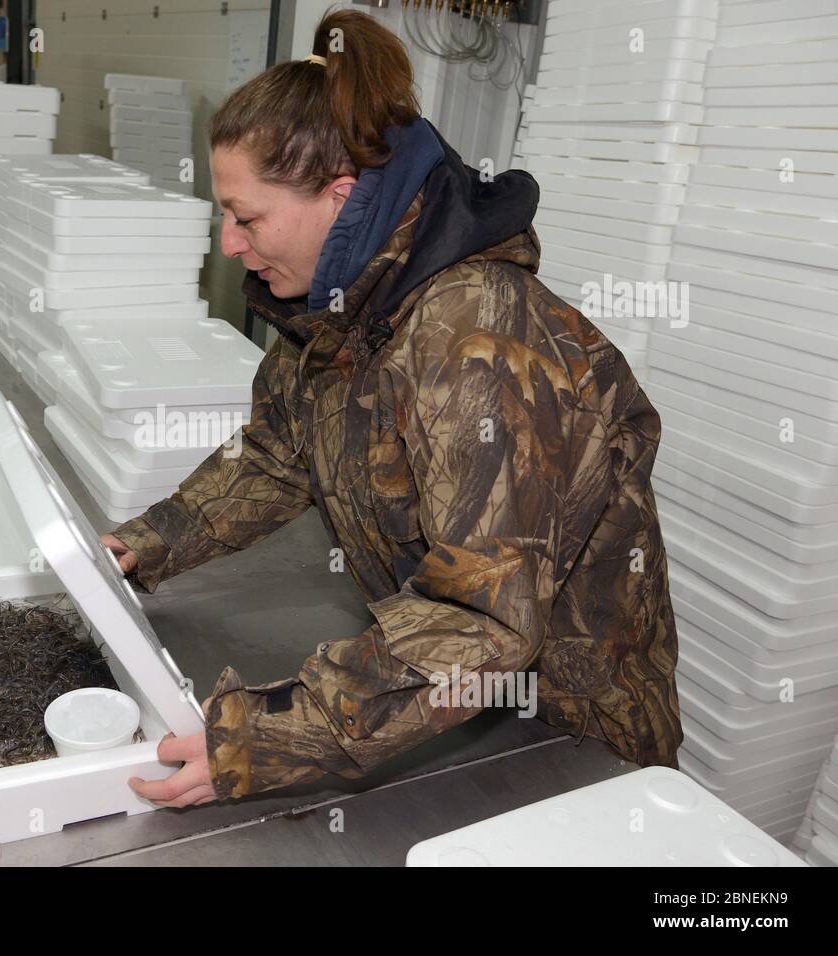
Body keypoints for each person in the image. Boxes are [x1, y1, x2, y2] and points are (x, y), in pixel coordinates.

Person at [106, 10, 683, 808]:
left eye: (247, 218)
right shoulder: (342, 309)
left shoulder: (478, 344)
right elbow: (281, 451)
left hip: (567, 737)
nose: (231, 244)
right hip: (447, 699)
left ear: (341, 199)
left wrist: (264, 738)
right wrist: (146, 543)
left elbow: (481, 620)